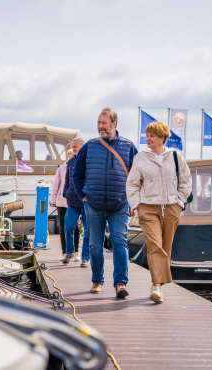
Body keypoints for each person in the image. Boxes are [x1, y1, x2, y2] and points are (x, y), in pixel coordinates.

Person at [73, 107, 138, 298]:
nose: (100, 127)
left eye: (104, 123)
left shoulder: (128, 146)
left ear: (114, 124)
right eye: (98, 123)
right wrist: (83, 196)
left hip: (120, 205)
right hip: (93, 204)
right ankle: (97, 280)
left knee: (120, 242)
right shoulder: (89, 146)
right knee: (94, 245)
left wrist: (132, 201)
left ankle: (120, 283)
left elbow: (137, 176)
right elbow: (77, 173)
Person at [126, 121, 191, 303]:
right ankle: (156, 286)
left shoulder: (176, 156)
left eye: (152, 136)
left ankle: (159, 285)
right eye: (147, 136)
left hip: (171, 208)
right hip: (148, 207)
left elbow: (186, 180)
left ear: (162, 138)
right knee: (155, 244)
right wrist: (136, 204)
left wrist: (179, 201)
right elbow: (132, 183)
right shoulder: (141, 158)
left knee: (166, 248)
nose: (147, 139)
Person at [63, 137, 90, 267]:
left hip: (86, 201)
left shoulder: (89, 160)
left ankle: (85, 257)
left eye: (75, 147)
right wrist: (65, 192)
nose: (73, 149)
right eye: (72, 147)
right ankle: (69, 252)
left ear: (82, 146)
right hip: (72, 201)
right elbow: (67, 179)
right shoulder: (71, 161)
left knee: (88, 230)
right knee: (68, 226)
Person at [50, 149, 80, 261]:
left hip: (75, 202)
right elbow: (56, 186)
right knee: (63, 227)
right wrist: (53, 200)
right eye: (70, 156)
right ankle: (65, 252)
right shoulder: (61, 169)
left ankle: (76, 252)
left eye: (73, 156)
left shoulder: (79, 167)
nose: (71, 158)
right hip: (62, 202)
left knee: (76, 227)